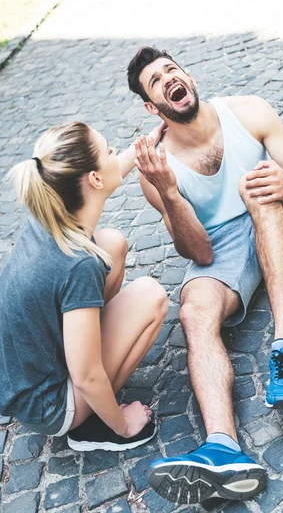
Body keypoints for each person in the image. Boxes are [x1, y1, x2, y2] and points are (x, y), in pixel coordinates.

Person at [127, 46, 283, 505]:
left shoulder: (248, 111)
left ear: (188, 76)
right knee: (194, 311)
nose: (169, 78)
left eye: (171, 69)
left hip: (278, 216)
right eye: (156, 81)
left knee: (254, 186)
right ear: (152, 107)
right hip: (222, 248)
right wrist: (171, 193)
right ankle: (223, 448)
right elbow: (197, 250)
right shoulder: (156, 168)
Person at [0, 121, 168, 452]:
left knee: (112, 244)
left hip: (24, 373)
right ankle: (91, 426)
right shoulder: (77, 263)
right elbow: (87, 376)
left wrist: (145, 145)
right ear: (93, 179)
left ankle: (85, 366)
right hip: (48, 407)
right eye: (108, 150)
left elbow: (109, 172)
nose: (112, 153)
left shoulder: (50, 211)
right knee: (151, 297)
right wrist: (122, 426)